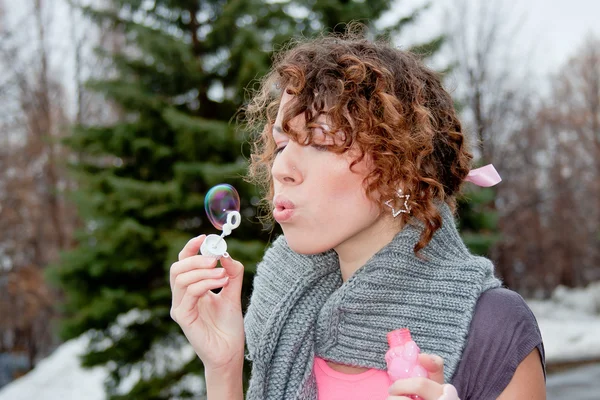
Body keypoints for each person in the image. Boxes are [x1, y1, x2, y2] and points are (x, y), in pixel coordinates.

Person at [169, 30, 546, 400]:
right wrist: (223, 368)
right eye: (282, 143)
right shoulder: (281, 306)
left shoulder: (495, 327)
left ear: (398, 163)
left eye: (319, 141)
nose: (282, 168)